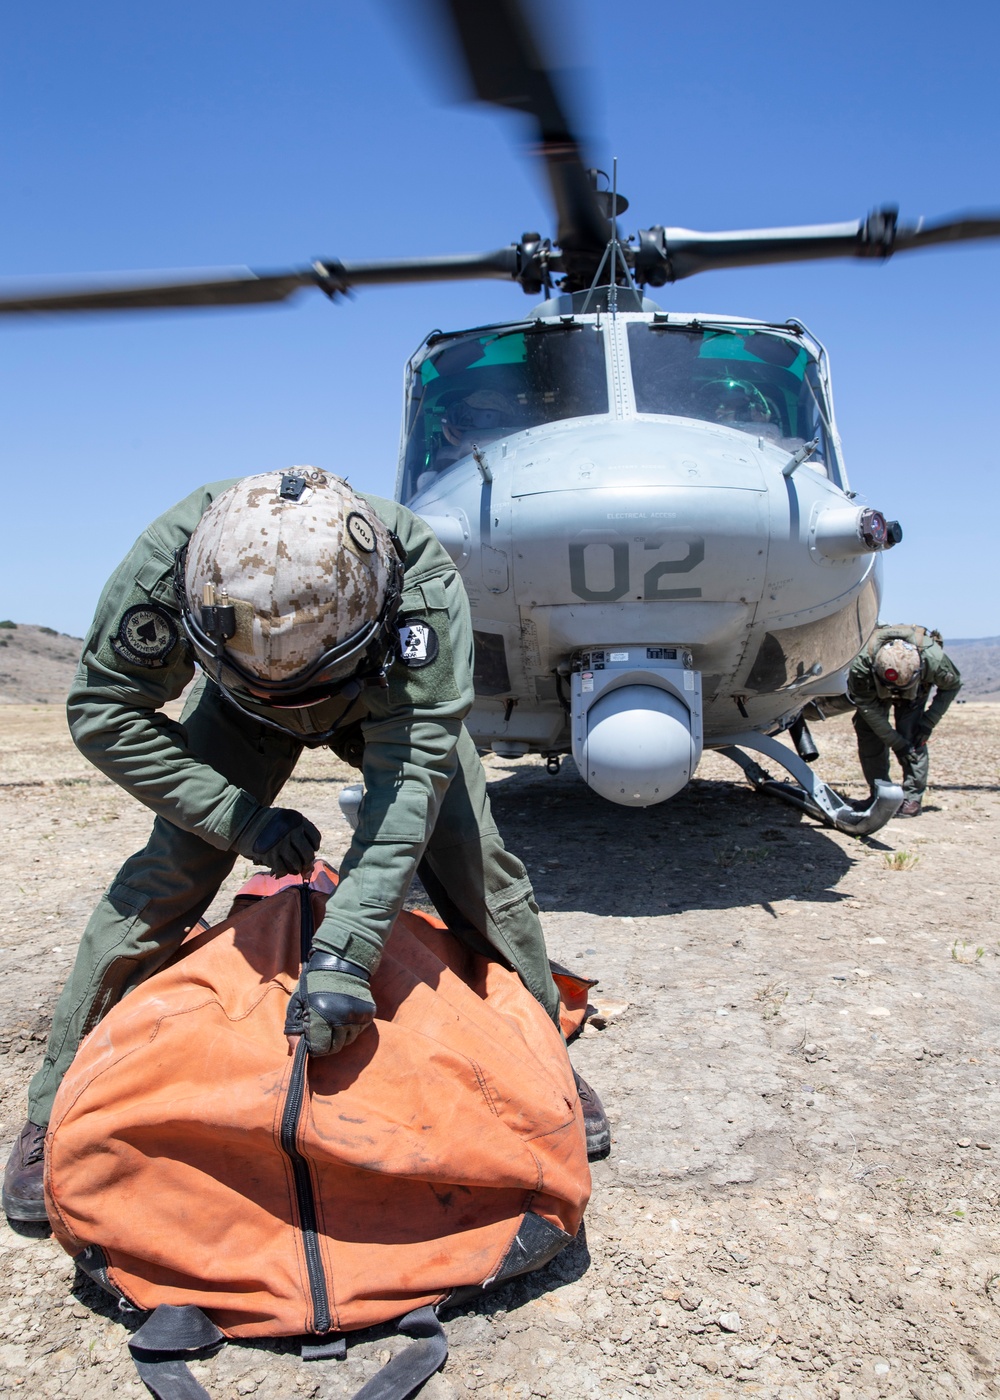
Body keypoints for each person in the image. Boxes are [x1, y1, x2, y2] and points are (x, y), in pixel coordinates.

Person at [3, 468, 609, 1225]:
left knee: (475, 862)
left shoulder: (419, 583)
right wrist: (241, 820)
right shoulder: (172, 565)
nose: (299, 707)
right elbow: (103, 713)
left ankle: (548, 1057)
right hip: (234, 704)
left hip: (382, 697)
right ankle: (55, 1097)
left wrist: (346, 954)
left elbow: (406, 793)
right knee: (169, 872)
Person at [848, 624, 962, 818]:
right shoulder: (862, 665)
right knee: (868, 732)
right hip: (874, 690)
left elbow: (953, 685)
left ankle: (912, 800)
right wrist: (897, 744)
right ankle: (880, 795)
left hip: (915, 692)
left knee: (914, 733)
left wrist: (928, 723)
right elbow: (866, 706)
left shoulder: (933, 659)